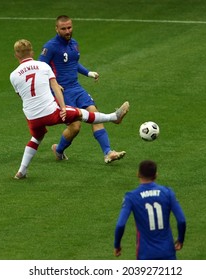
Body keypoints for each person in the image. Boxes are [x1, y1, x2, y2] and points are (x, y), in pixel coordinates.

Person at [10, 39, 129, 179]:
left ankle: (21, 172)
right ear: (32, 52)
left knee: (36, 138)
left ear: (16, 55)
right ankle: (114, 117)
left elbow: (22, 95)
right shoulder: (43, 66)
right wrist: (62, 108)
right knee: (81, 114)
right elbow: (55, 87)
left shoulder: (13, 75)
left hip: (32, 116)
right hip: (50, 112)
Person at [38, 15, 126, 163]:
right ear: (57, 29)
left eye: (69, 27)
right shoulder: (50, 47)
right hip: (62, 92)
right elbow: (40, 68)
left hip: (76, 88)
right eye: (63, 29)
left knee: (94, 114)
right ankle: (58, 150)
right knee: (76, 127)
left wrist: (88, 73)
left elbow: (73, 62)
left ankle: (108, 152)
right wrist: (52, 84)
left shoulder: (74, 44)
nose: (67, 31)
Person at [113, 160, 186, 260]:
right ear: (156, 175)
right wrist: (180, 239)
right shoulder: (168, 193)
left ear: (138, 174)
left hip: (145, 253)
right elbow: (181, 220)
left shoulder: (131, 197)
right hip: (167, 251)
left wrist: (117, 245)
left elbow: (120, 224)